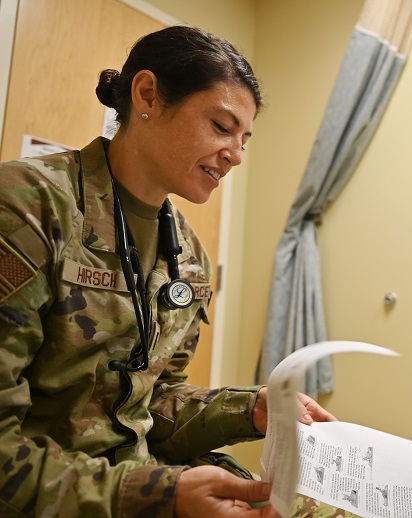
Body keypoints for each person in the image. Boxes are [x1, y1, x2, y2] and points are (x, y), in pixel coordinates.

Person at [0, 25, 336, 517]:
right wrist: (159, 496)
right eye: (222, 127)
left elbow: (151, 402)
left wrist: (249, 409)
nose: (236, 156)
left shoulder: (188, 256)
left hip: (140, 473)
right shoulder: (29, 206)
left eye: (244, 139)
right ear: (148, 95)